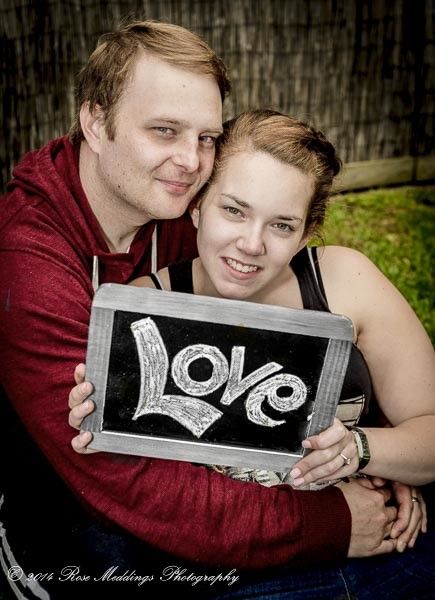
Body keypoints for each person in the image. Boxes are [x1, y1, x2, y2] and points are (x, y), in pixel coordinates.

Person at [0, 17, 425, 600]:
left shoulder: (181, 209)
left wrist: (370, 455)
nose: (191, 161)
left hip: (239, 506)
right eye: (165, 130)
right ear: (95, 121)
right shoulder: (28, 270)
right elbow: (130, 484)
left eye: (206, 138)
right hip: (83, 538)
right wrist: (337, 519)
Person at [68, 109, 435, 598]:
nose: (251, 244)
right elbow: (141, 485)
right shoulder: (146, 308)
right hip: (236, 568)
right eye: (234, 211)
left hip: (385, 546)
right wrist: (99, 420)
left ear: (306, 232)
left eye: (282, 225)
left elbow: (428, 428)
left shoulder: (346, 281)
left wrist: (364, 450)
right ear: (197, 206)